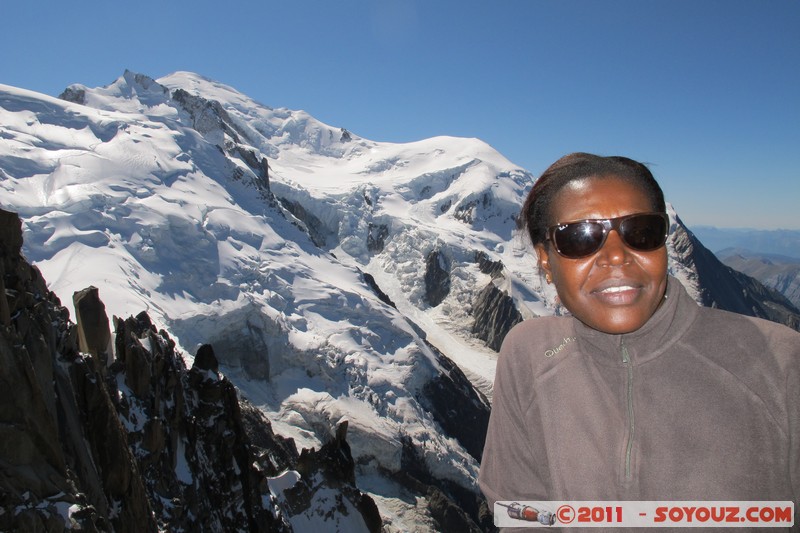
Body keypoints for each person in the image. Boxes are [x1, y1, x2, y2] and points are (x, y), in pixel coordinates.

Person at [479, 153, 799, 528]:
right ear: (546, 262)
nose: (616, 255)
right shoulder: (528, 354)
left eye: (641, 231)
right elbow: (520, 513)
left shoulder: (780, 360)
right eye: (580, 237)